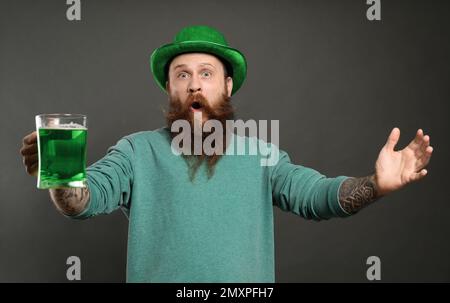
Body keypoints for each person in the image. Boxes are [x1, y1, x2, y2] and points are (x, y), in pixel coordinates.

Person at [20, 25, 433, 282]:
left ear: (227, 86)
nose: (194, 85)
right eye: (182, 75)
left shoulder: (263, 154)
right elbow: (83, 202)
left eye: (206, 74)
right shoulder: (136, 151)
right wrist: (60, 176)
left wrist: (376, 185)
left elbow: (317, 196)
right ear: (171, 89)